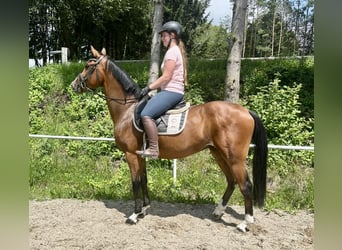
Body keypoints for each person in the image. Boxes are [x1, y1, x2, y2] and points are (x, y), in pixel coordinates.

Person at [136, 21, 188, 158]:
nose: (162, 39)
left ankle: (153, 149)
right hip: (171, 91)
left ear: (173, 36)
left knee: (146, 114)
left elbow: (166, 77)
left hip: (172, 91)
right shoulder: (175, 51)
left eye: (164, 36)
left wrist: (148, 88)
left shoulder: (172, 52)